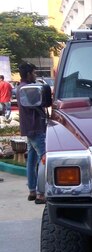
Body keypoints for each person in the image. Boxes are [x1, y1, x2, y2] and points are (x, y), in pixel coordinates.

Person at [17, 63, 47, 205]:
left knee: (31, 159)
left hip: (29, 128)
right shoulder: (29, 89)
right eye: (34, 73)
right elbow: (40, 105)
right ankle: (41, 193)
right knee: (44, 158)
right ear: (28, 74)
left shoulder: (20, 87)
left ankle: (32, 190)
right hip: (35, 127)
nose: (35, 75)